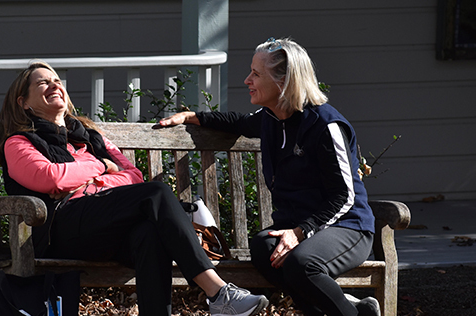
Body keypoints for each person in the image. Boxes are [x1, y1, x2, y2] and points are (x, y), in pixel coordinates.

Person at [0, 61, 269, 316]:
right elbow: (51, 178)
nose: (54, 85)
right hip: (61, 230)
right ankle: (218, 293)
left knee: (149, 232)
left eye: (57, 80)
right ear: (24, 103)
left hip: (105, 228)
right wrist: (103, 167)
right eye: (43, 83)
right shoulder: (20, 142)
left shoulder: (91, 137)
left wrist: (86, 180)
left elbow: (134, 176)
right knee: (157, 192)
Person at [159, 37, 380, 316]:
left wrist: (300, 232)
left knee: (301, 263)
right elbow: (238, 122)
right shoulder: (271, 119)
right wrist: (192, 116)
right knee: (264, 250)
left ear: (284, 81)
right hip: (303, 229)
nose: (247, 80)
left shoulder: (326, 125)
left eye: (256, 74)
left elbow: (345, 197)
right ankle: (349, 307)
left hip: (348, 228)